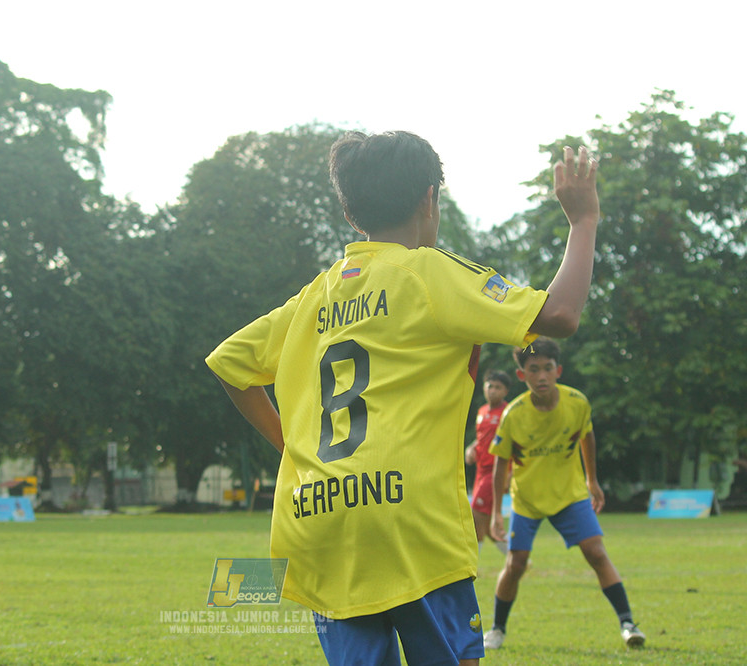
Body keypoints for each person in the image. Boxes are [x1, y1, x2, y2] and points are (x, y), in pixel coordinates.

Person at [205, 130, 601, 666]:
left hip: (318, 517)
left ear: (352, 215)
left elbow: (231, 364)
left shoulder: (313, 297)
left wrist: (289, 447)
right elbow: (559, 315)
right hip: (408, 520)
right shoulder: (429, 273)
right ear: (429, 200)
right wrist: (583, 221)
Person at [483, 338, 645, 651]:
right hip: (527, 500)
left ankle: (628, 623)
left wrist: (592, 480)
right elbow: (500, 465)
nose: (541, 376)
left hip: (569, 495)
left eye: (547, 368)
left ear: (558, 370)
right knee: (516, 564)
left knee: (596, 552)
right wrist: (495, 513)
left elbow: (586, 436)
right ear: (522, 376)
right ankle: (497, 630)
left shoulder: (577, 402)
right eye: (533, 370)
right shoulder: (513, 415)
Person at [465, 369, 513, 556]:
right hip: (480, 470)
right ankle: (516, 558)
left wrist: (510, 474)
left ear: (505, 391)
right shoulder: (482, 411)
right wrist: (471, 449)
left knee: (476, 514)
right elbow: (482, 438)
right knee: (487, 521)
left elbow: (514, 443)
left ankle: (472, 560)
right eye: (490, 386)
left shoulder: (508, 412)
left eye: (498, 387)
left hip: (495, 472)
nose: (493, 391)